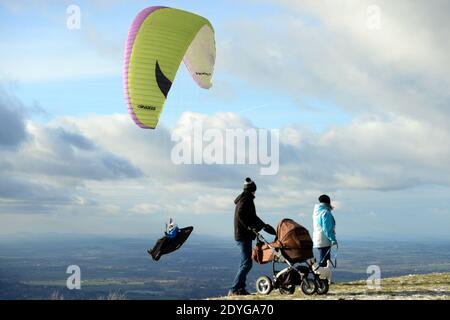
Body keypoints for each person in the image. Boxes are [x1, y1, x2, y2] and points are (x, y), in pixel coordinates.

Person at [229, 177, 276, 296]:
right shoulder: (246, 200)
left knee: (244, 263)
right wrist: (249, 227)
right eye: (254, 190)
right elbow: (241, 215)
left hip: (243, 235)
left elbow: (253, 217)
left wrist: (264, 226)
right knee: (247, 264)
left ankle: (240, 289)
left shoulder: (245, 199)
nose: (255, 193)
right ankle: (234, 289)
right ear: (252, 189)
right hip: (243, 235)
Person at [312, 194, 337, 267]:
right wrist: (333, 239)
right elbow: (327, 229)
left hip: (318, 239)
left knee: (324, 260)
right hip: (324, 240)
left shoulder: (316, 212)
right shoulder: (325, 213)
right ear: (328, 202)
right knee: (325, 262)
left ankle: (321, 277)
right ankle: (321, 277)